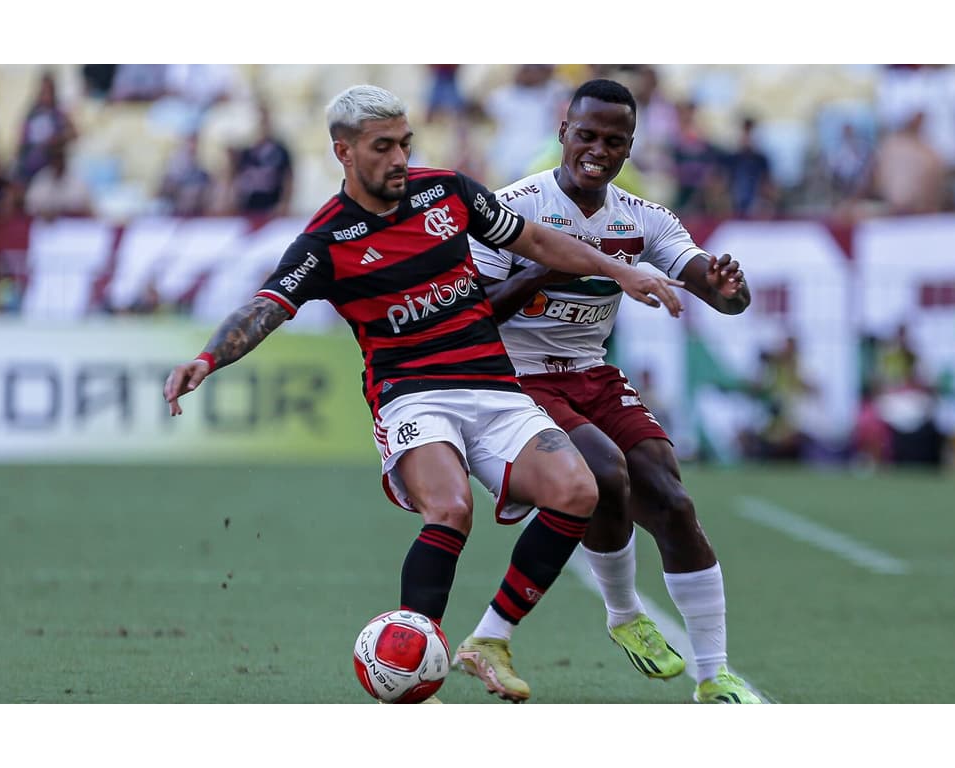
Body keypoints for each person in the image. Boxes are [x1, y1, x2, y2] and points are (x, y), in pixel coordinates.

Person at [162, 84, 686, 704]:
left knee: (577, 490)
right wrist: (207, 357)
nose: (400, 159)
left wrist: (622, 269)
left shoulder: (448, 192)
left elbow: (537, 242)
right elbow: (265, 307)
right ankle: (415, 663)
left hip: (495, 387)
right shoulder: (325, 242)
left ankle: (488, 640)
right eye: (382, 147)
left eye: (405, 144)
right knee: (451, 507)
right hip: (414, 396)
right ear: (345, 152)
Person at [465, 78, 761, 704]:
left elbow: (713, 287)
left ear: (630, 147)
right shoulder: (512, 207)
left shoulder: (644, 216)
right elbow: (474, 315)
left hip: (591, 373)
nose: (598, 149)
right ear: (563, 130)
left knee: (674, 503)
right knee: (603, 470)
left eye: (615, 140)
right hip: (516, 374)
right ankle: (625, 614)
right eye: (588, 134)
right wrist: (556, 262)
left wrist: (730, 288)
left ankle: (714, 677)